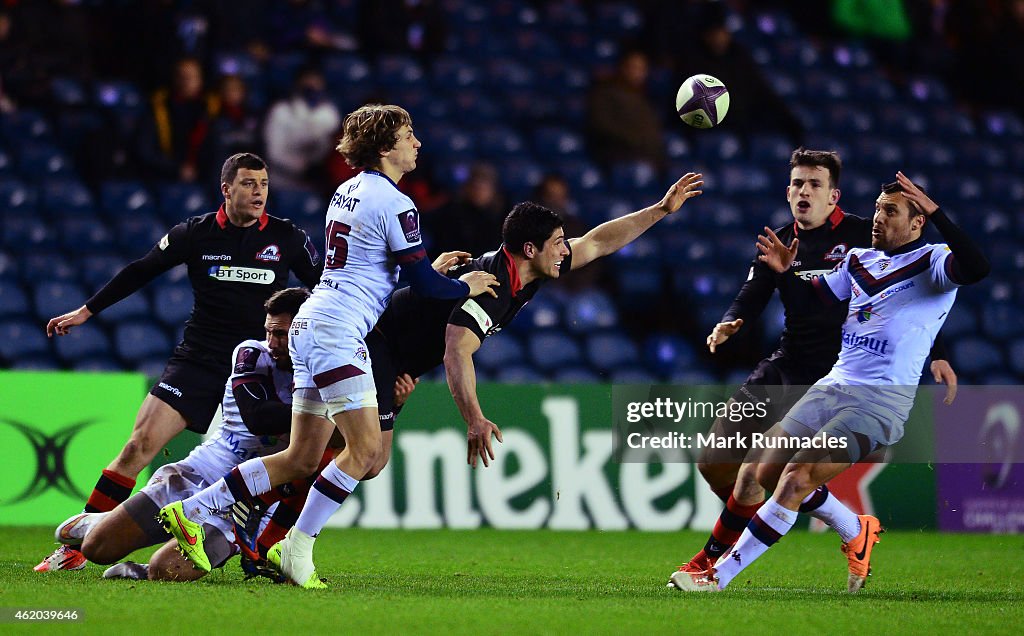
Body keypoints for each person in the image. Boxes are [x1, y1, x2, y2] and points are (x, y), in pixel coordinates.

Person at [167, 171, 705, 584]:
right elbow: (456, 351)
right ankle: (277, 539)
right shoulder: (493, 285)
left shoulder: (532, 272)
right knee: (361, 454)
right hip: (373, 344)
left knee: (341, 458)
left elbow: (600, 242)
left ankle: (226, 518)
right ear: (530, 249)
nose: (570, 248)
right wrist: (473, 418)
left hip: (393, 358)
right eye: (559, 241)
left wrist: (660, 209)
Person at [158, 103, 499, 588]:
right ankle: (296, 549)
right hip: (338, 332)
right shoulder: (396, 203)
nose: (417, 143)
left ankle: (193, 510)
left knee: (300, 456)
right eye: (408, 135)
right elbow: (423, 286)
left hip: (313, 322)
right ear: (385, 147)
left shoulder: (348, 190)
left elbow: (379, 265)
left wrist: (431, 269)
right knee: (362, 452)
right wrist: (467, 285)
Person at [671, 171, 990, 593]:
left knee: (796, 478)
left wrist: (938, 212)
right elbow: (814, 301)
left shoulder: (934, 262)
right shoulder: (859, 260)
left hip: (878, 402)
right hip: (831, 386)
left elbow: (978, 267)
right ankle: (855, 528)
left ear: (917, 222)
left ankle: (717, 576)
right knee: (755, 473)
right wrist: (786, 273)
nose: (877, 217)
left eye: (890, 211)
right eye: (877, 208)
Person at [35, 152, 323, 572]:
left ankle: (256, 546)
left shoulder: (288, 238)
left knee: (276, 460)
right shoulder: (195, 234)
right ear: (225, 189)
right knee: (139, 445)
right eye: (248, 183)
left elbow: (323, 287)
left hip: (260, 365)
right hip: (201, 360)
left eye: (263, 183)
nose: (258, 191)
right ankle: (77, 548)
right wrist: (86, 311)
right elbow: (141, 270)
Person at [51, 288, 311, 581]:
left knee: (167, 571)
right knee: (98, 549)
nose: (273, 342)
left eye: (282, 334)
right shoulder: (252, 353)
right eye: (270, 332)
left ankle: (141, 567)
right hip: (201, 474)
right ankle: (98, 523)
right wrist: (322, 412)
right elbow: (257, 418)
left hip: (250, 500)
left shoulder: (325, 369)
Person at [262, 67, 341, 190]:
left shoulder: (329, 113)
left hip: (318, 183)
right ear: (298, 84)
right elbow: (273, 152)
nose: (312, 87)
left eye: (316, 82)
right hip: (281, 181)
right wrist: (302, 168)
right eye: (307, 82)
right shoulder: (281, 110)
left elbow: (332, 150)